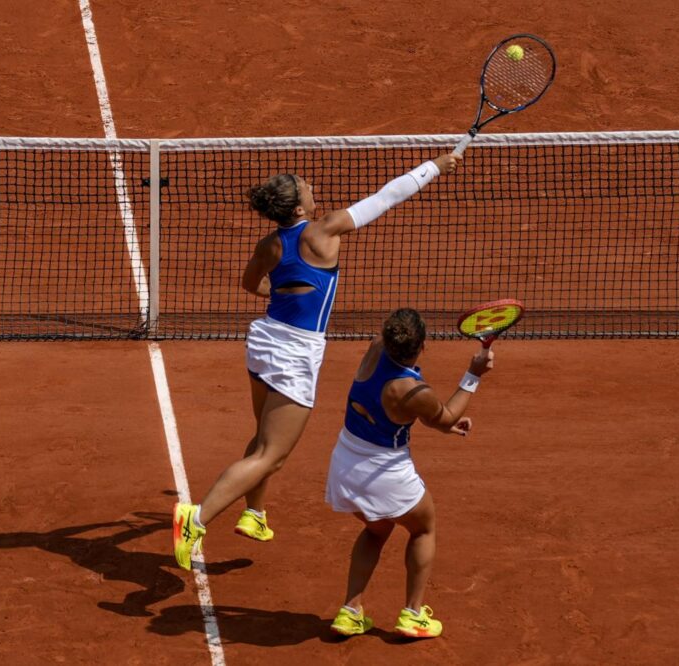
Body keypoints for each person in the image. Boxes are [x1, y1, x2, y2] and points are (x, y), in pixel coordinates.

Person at [173, 152, 463, 571]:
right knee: (272, 455)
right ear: (297, 208)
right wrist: (434, 167)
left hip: (264, 340)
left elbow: (250, 283)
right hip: (294, 353)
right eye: (306, 188)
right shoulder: (324, 232)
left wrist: (285, 297)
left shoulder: (269, 244)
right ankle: (194, 519)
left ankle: (254, 514)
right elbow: (387, 197)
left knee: (263, 435)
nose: (313, 189)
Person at [325, 308, 494, 639]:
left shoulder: (374, 349)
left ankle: (350, 612)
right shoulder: (413, 391)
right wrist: (474, 374)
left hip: (345, 463)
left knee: (377, 530)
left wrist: (441, 422)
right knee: (423, 528)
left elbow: (423, 416)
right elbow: (443, 417)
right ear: (422, 347)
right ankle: (413, 615)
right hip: (384, 473)